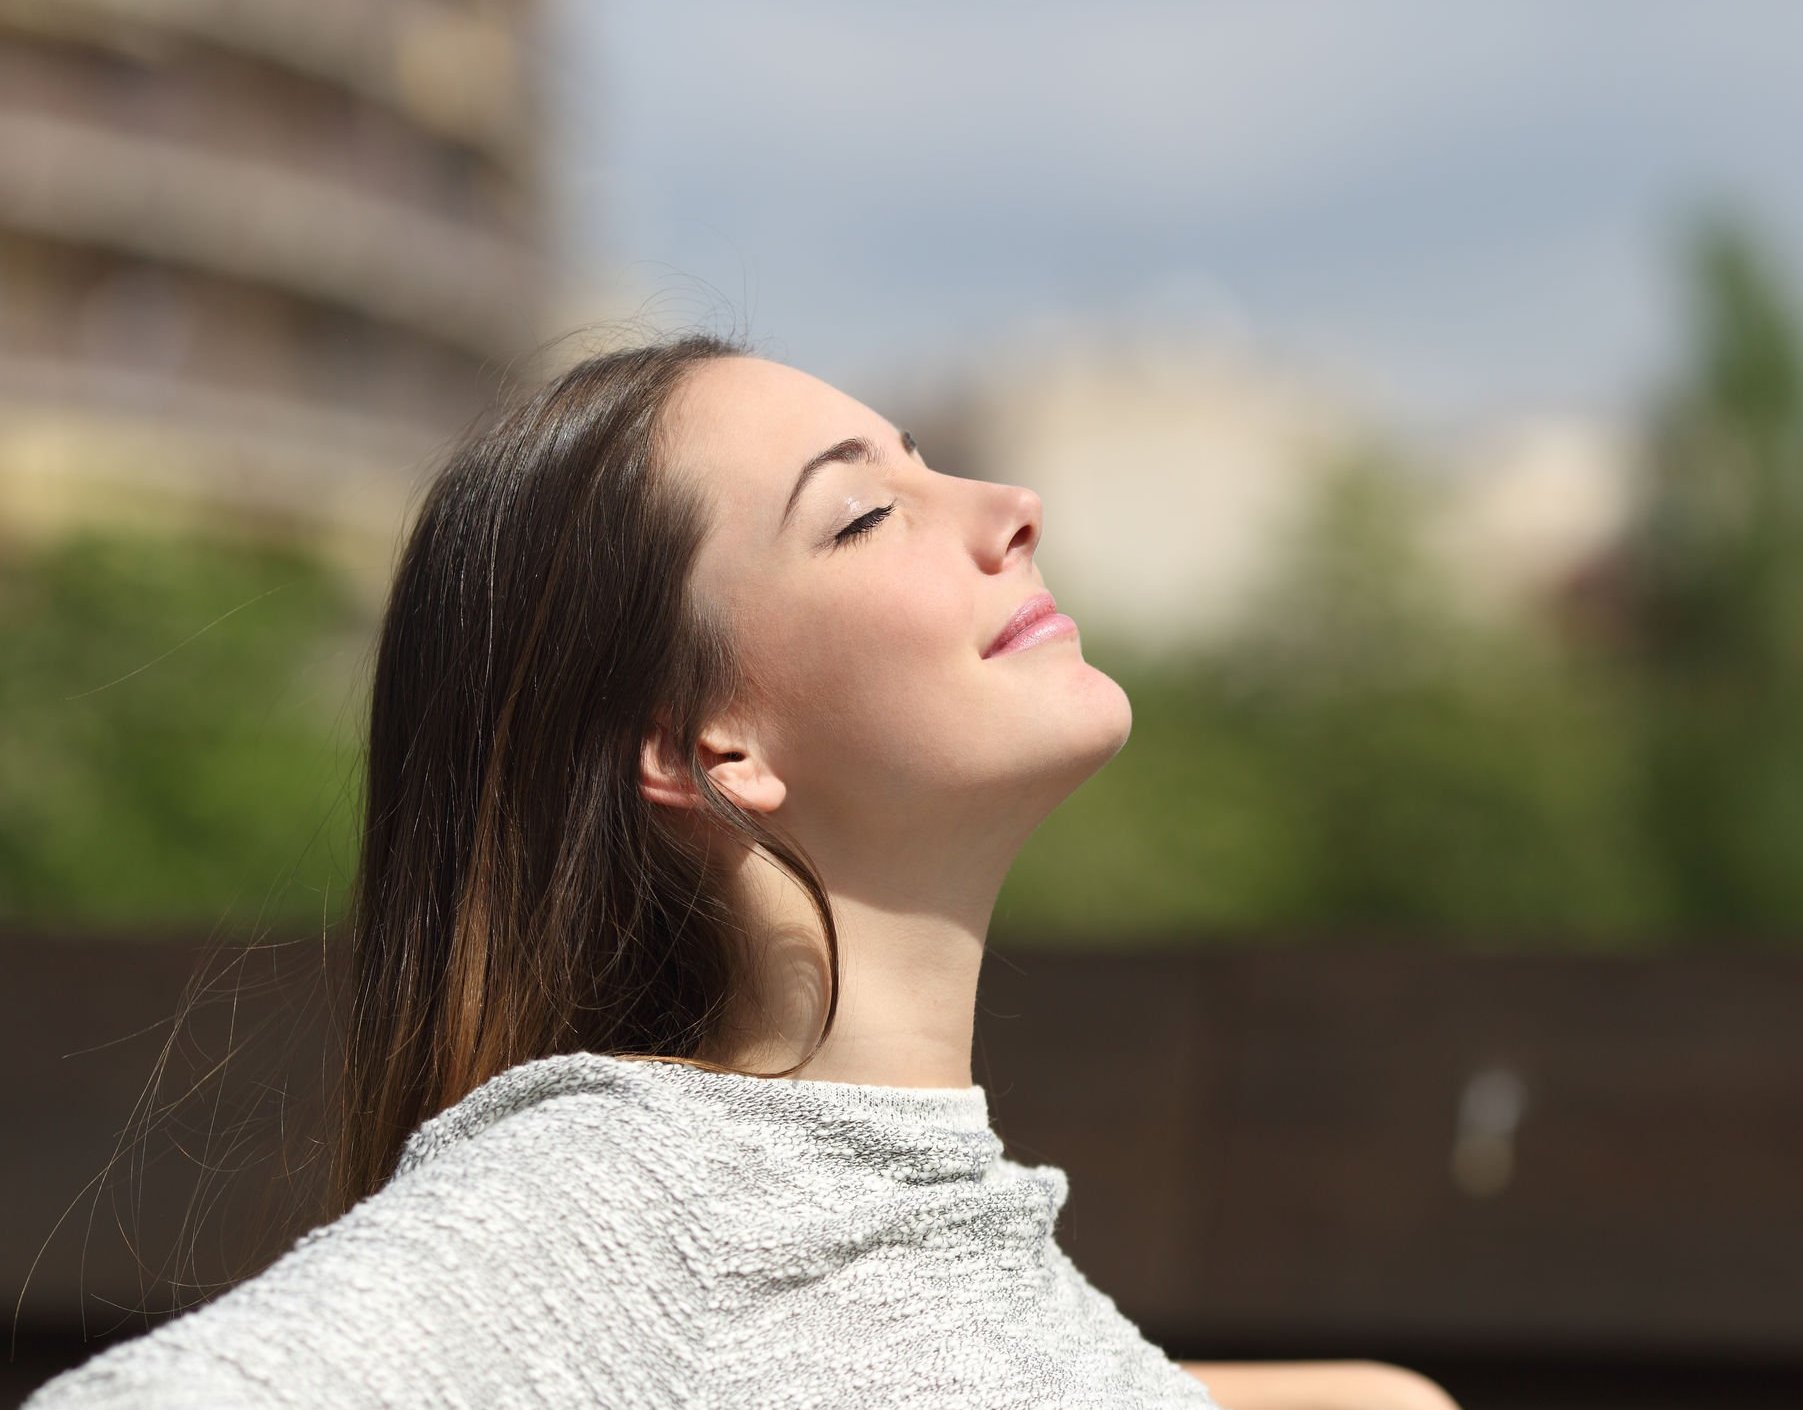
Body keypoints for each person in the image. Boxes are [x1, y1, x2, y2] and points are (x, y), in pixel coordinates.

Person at [25, 334, 1461, 1410]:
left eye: (922, 459)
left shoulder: (921, 1277)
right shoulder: (637, 1206)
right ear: (710, 747)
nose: (1009, 505)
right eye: (863, 512)